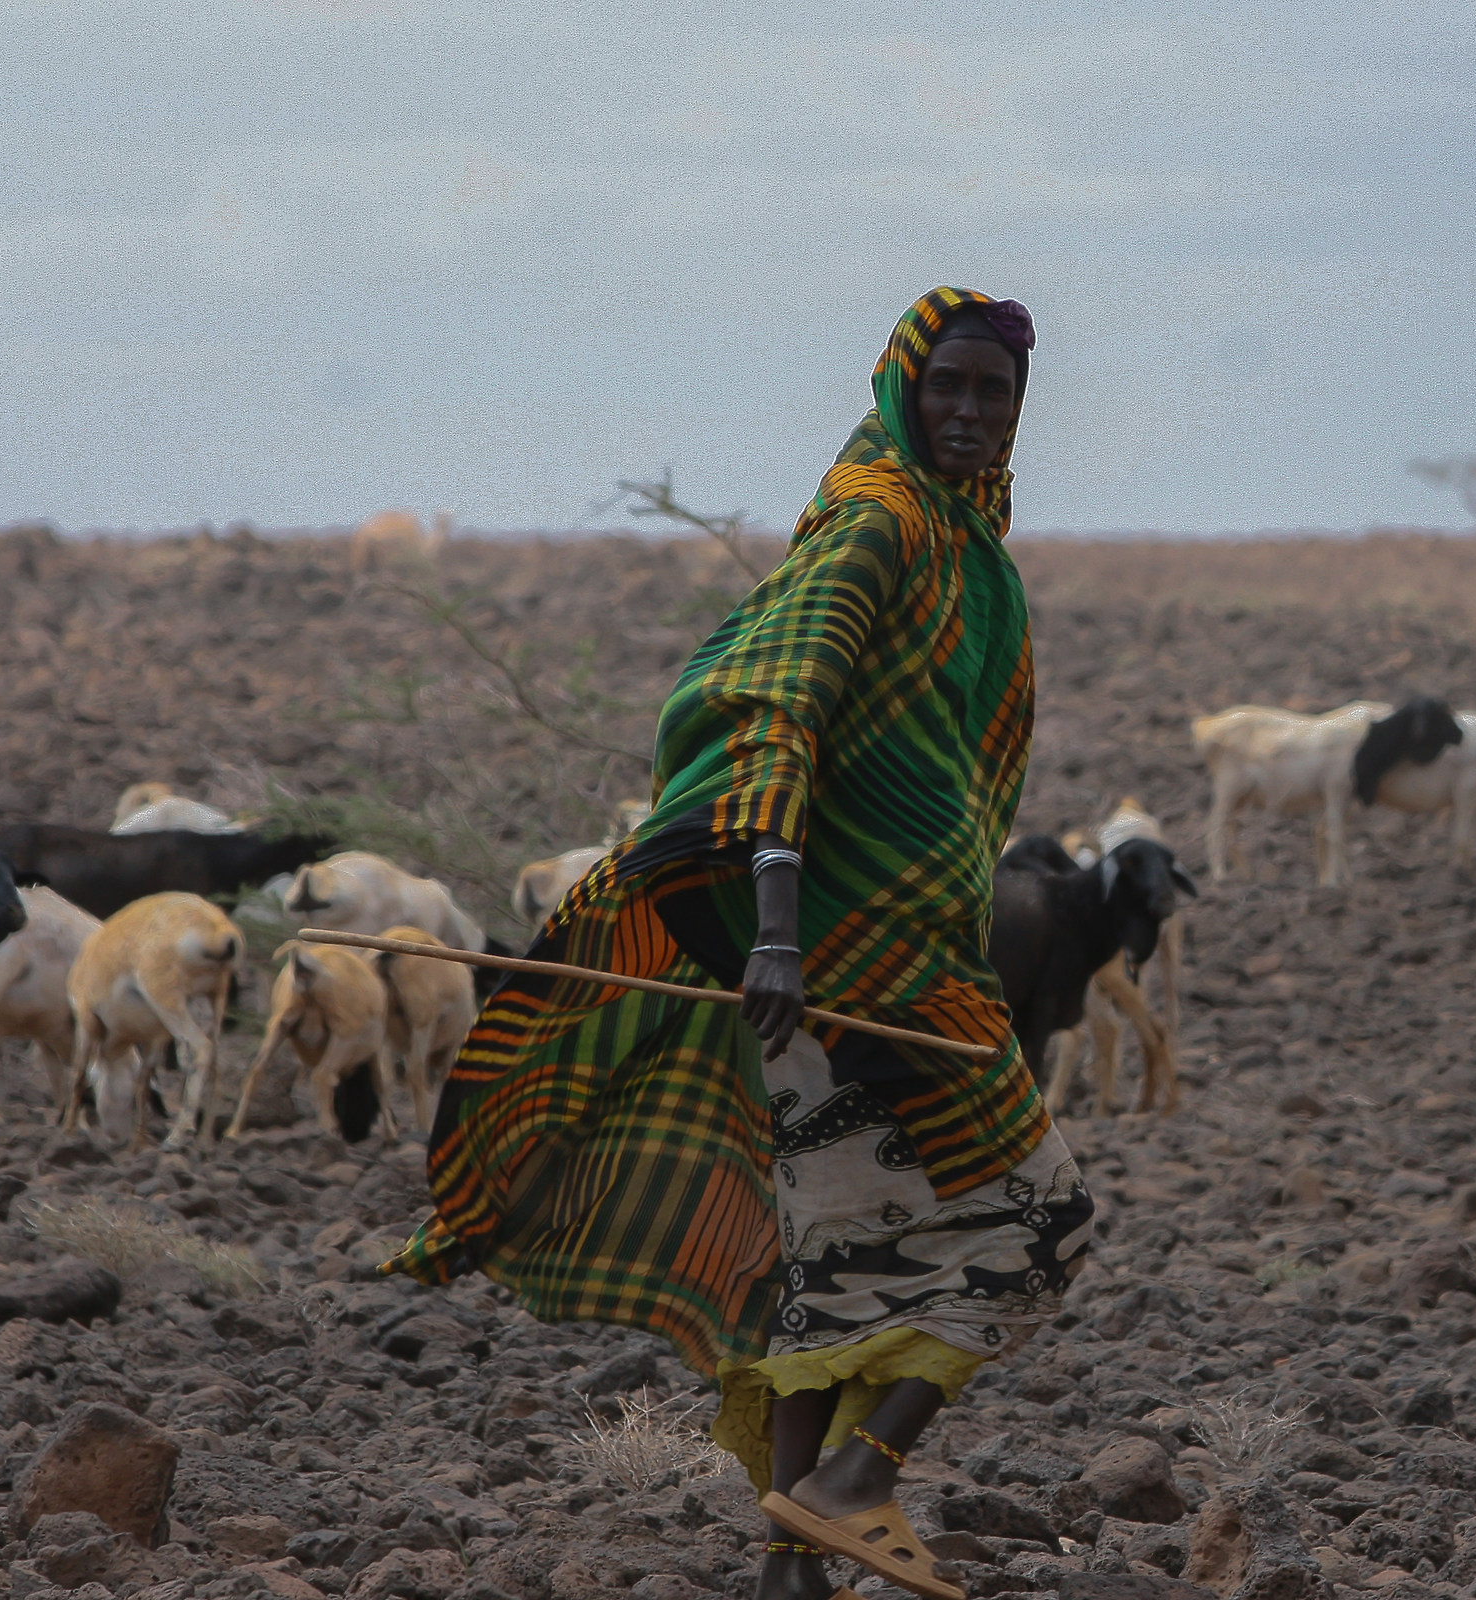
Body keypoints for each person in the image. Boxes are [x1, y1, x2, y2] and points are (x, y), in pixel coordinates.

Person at [390, 287, 1090, 1600]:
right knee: (1045, 1213)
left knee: (831, 1242)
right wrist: (775, 930)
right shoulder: (878, 527)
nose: (967, 411)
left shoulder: (959, 539)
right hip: (835, 956)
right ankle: (854, 1484)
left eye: (992, 395)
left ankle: (789, 1563)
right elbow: (770, 705)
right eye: (945, 385)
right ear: (900, 385)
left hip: (898, 949)